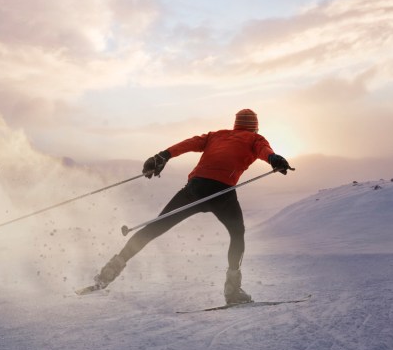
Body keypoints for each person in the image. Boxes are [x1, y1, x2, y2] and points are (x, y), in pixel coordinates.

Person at [90, 109, 291, 303]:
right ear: (255, 127)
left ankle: (109, 272)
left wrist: (162, 156)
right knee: (237, 234)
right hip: (222, 193)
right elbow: (265, 152)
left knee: (154, 228)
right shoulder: (256, 139)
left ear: (235, 124)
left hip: (195, 189)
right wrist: (274, 159)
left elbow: (189, 143)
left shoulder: (217, 135)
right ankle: (232, 290)